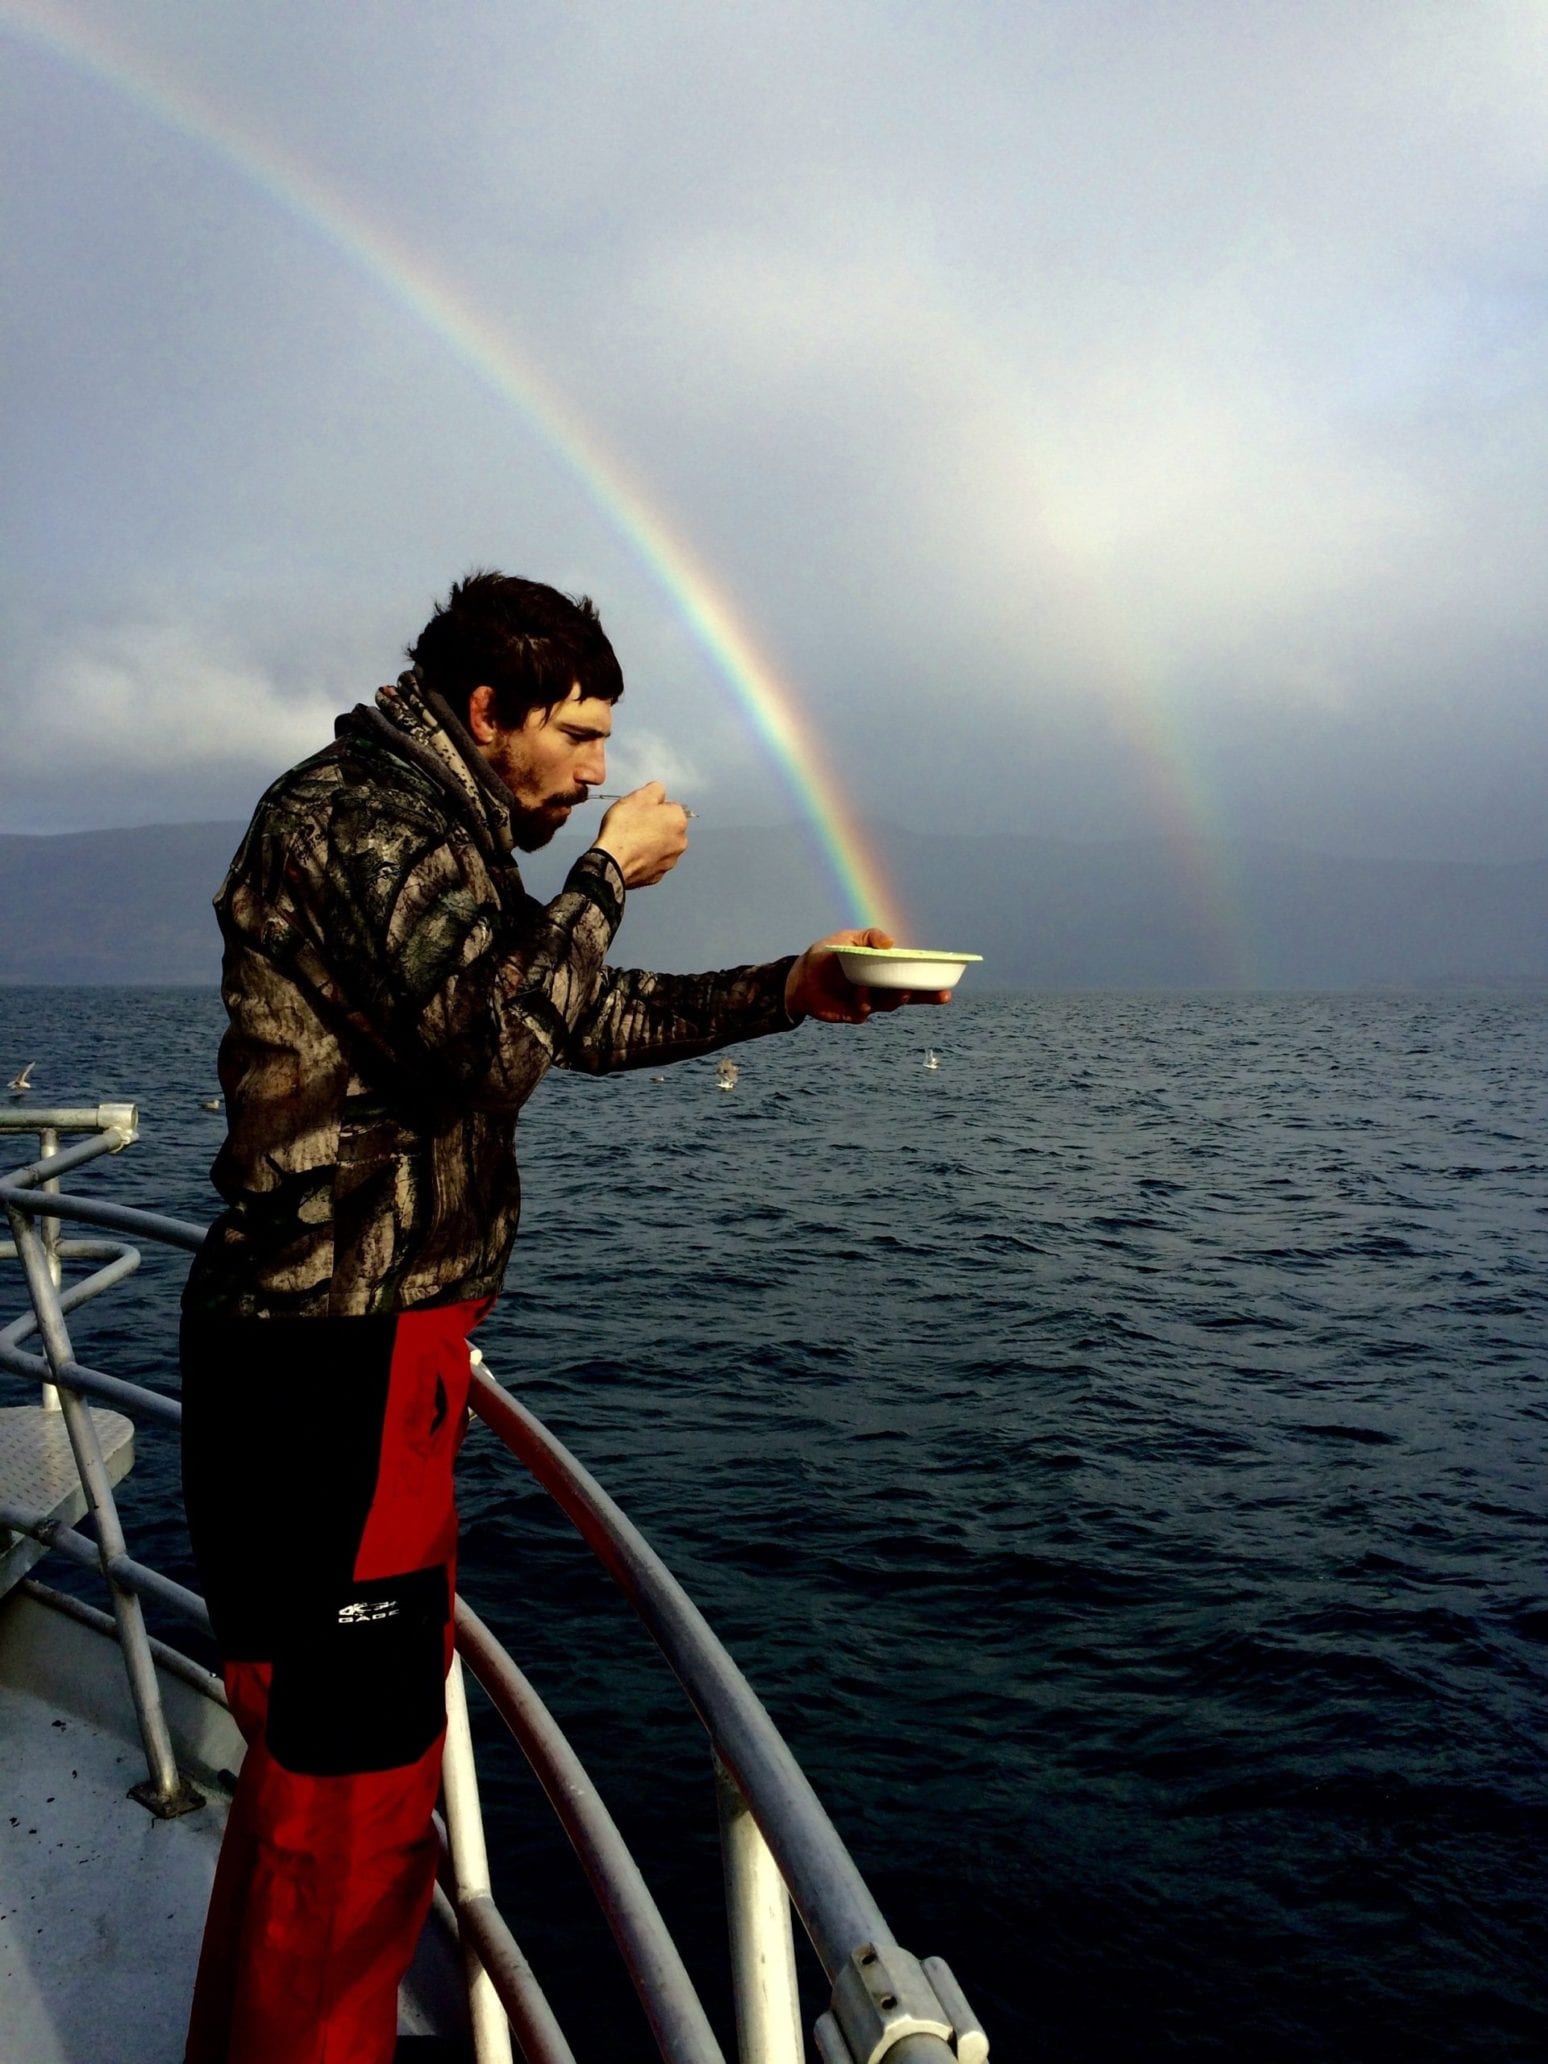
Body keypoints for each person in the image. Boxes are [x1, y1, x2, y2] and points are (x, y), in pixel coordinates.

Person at [178, 570, 946, 2064]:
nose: (600, 767)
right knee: (345, 1806)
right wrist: (605, 873)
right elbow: (498, 1051)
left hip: (357, 1359)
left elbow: (573, 1014)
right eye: (579, 735)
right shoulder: (369, 825)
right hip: (334, 1366)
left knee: (342, 1781)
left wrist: (795, 987)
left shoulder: (430, 828)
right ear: (490, 713)